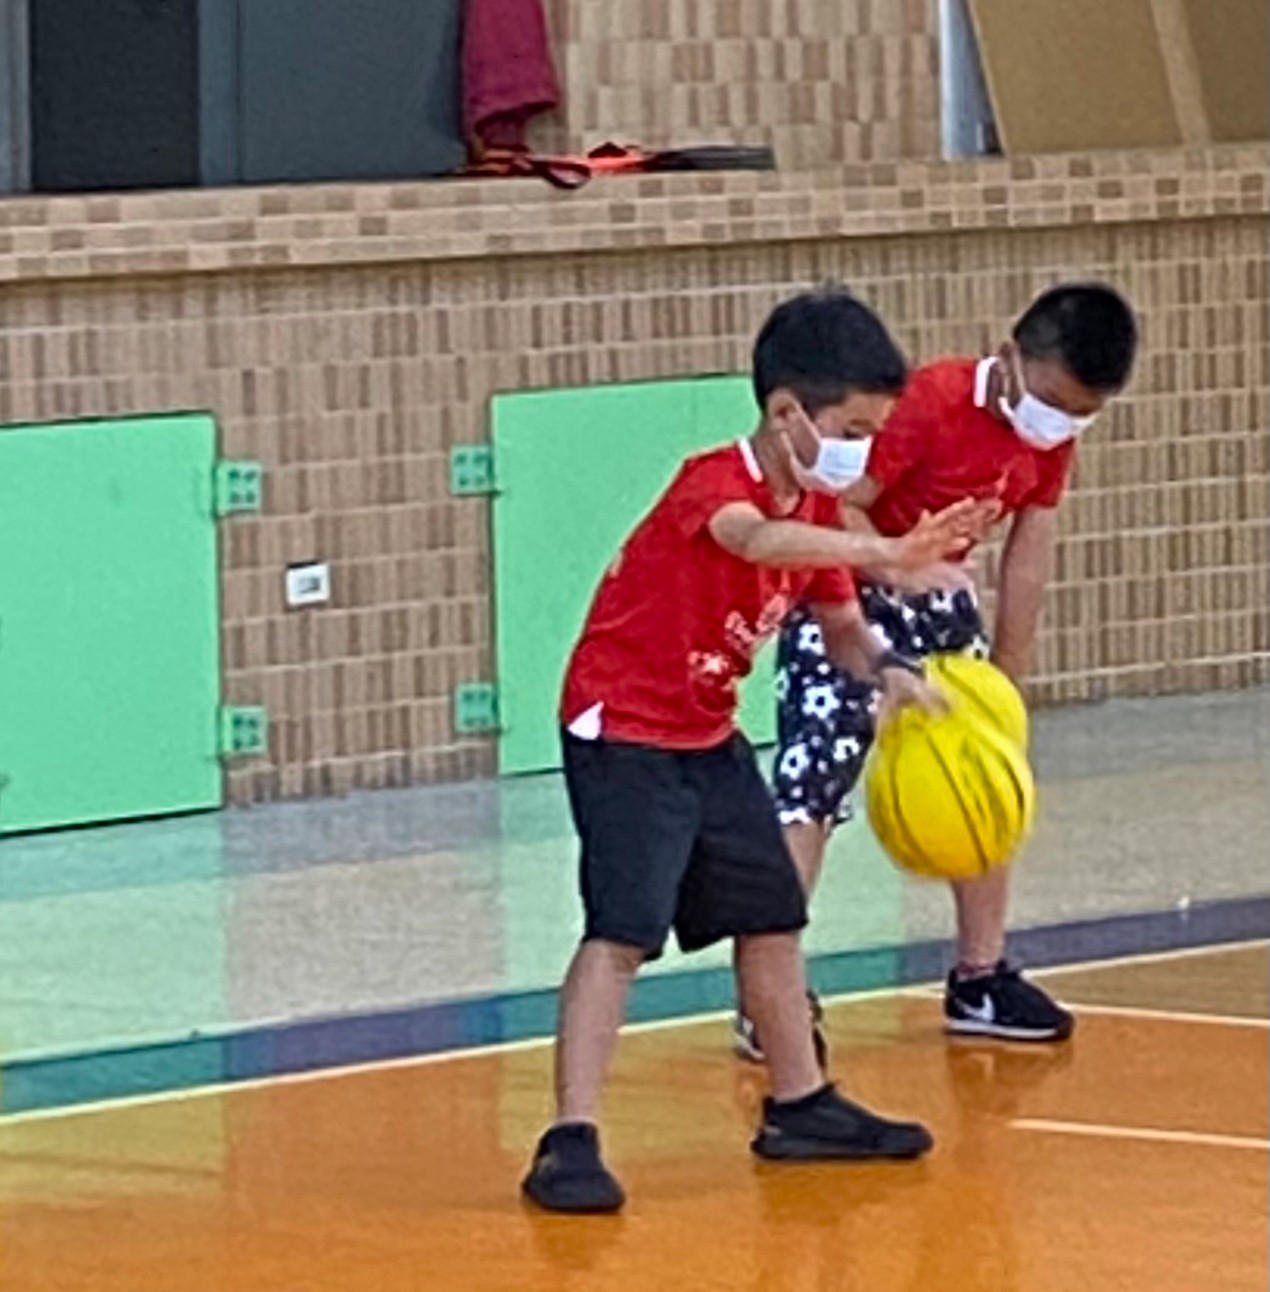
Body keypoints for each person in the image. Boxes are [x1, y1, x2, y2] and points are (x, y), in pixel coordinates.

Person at [521, 287, 997, 1213]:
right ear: (787, 414)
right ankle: (568, 1138)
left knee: (773, 918)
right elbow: (755, 538)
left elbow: (846, 634)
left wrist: (900, 680)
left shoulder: (815, 508)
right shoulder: (716, 483)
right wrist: (889, 551)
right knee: (621, 933)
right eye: (854, 426)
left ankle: (801, 1106)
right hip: (621, 729)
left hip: (707, 732)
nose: (866, 447)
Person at [733, 282, 1139, 1065]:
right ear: (1012, 357)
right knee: (810, 790)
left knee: (987, 775)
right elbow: (835, 511)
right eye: (1054, 402)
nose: (1061, 423)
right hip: (847, 592)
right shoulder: (930, 402)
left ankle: (979, 976)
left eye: (1080, 414)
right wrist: (895, 566)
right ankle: (767, 998)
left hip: (943, 605)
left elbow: (1030, 546)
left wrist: (1009, 677)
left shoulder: (1051, 435)